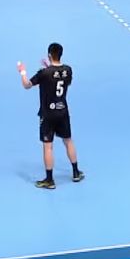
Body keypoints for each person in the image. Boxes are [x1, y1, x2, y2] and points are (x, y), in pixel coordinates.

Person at [18, 42, 84, 189]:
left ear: (49, 55)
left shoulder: (43, 73)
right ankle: (76, 172)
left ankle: (49, 180)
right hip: (63, 112)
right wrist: (50, 68)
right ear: (61, 54)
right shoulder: (68, 70)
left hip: (48, 114)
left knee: (48, 146)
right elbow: (60, 80)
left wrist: (22, 72)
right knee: (68, 141)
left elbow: (27, 85)